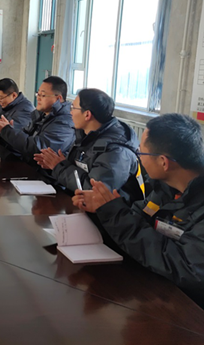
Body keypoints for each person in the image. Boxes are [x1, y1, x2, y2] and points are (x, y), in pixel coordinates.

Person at [72, 114, 204, 307]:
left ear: (163, 162)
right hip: (153, 290)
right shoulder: (165, 188)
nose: (138, 157)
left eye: (141, 152)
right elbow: (138, 220)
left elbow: (186, 267)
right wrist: (101, 211)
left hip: (188, 310)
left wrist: (115, 214)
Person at [34, 88, 143, 202]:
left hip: (106, 211)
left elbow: (94, 193)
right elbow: (79, 169)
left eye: (73, 107)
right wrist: (58, 164)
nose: (70, 112)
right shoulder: (86, 135)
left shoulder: (117, 151)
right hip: (79, 202)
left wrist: (59, 168)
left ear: (87, 114)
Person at [0, 76, 75, 161]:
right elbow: (25, 136)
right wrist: (11, 130)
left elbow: (37, 149)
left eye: (43, 95)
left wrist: (7, 131)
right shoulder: (42, 114)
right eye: (38, 94)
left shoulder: (64, 122)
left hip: (41, 169)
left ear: (58, 98)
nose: (38, 98)